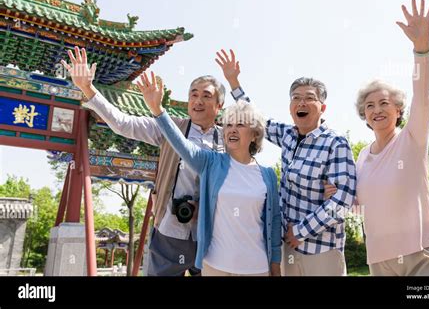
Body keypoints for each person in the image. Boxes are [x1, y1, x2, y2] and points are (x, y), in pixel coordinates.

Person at [61, 47, 226, 276]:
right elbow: (123, 124)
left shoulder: (228, 139)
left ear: (219, 106)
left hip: (211, 235)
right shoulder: (171, 127)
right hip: (170, 231)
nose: (198, 100)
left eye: (206, 96)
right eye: (193, 94)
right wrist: (88, 89)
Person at [217, 49, 356, 276]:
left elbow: (342, 201)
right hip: (288, 249)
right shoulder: (289, 135)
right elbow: (256, 117)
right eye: (296, 98)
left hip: (322, 251)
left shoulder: (335, 142)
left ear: (323, 107)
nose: (302, 102)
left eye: (310, 98)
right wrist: (234, 82)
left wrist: (300, 231)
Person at [137, 72, 282, 276]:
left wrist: (275, 265)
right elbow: (180, 143)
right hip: (215, 265)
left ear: (255, 134)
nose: (232, 129)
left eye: (240, 124)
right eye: (228, 124)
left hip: (257, 267)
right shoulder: (212, 163)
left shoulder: (267, 175)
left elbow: (274, 221)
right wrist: (158, 110)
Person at [354, 0, 429, 276]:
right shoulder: (361, 156)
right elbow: (363, 209)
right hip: (380, 260)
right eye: (369, 106)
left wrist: (421, 50)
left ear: (398, 110)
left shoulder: (412, 137)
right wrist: (338, 196)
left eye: (384, 103)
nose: (377, 110)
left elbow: (423, 93)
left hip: (422, 255)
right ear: (364, 115)